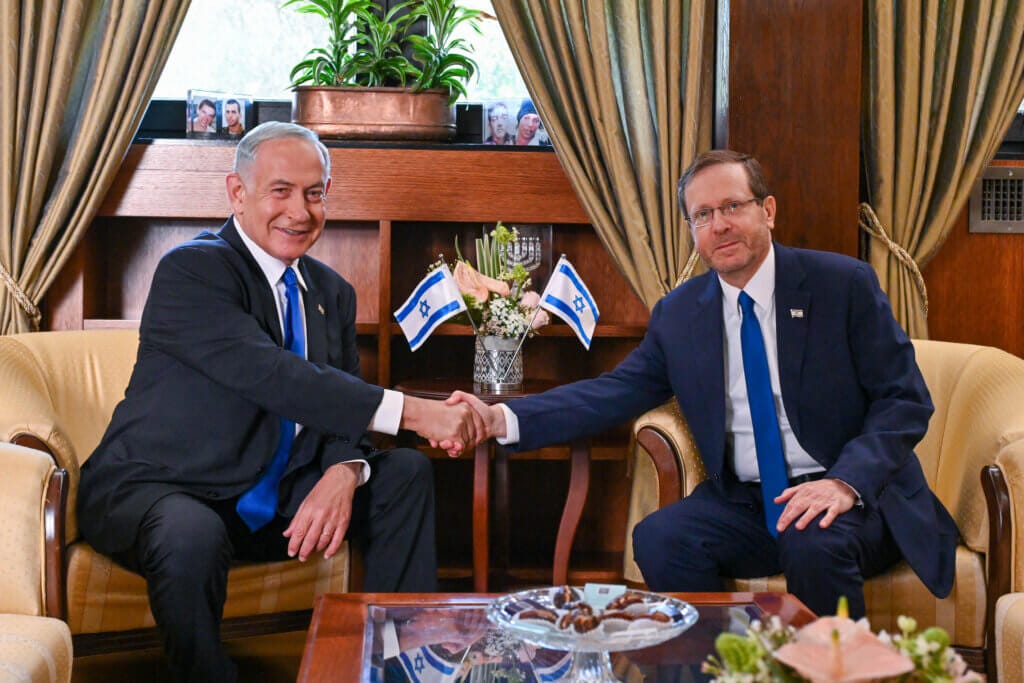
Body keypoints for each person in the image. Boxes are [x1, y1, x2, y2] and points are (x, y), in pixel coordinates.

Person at [450, 150, 958, 619]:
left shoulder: (842, 285)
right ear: (692, 229)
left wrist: (845, 483)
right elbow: (611, 393)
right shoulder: (680, 314)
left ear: (768, 211)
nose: (720, 225)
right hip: (747, 503)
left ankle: (831, 672)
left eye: (733, 205)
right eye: (703, 215)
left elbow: (903, 399)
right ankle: (717, 666)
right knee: (660, 537)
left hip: (849, 496)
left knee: (811, 540)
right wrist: (499, 418)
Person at [77, 121, 484, 682]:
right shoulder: (192, 271)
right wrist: (418, 412)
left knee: (404, 473)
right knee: (191, 531)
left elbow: (339, 397)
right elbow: (280, 377)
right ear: (237, 192)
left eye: (314, 193)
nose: (300, 210)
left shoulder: (330, 292)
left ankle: (397, 665)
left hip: (272, 499)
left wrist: (345, 469)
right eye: (281, 191)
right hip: (166, 486)